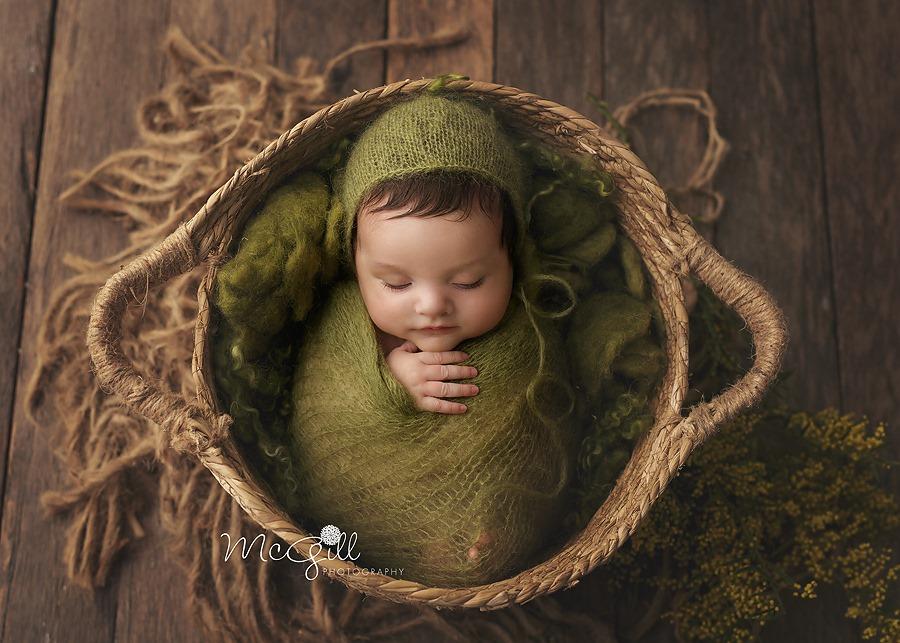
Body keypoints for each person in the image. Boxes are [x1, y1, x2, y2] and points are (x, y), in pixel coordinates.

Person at [337, 93, 529, 419]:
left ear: (513, 259)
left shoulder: (528, 321)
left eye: (468, 282)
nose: (432, 305)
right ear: (354, 267)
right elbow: (323, 400)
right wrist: (385, 381)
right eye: (397, 284)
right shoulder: (349, 332)